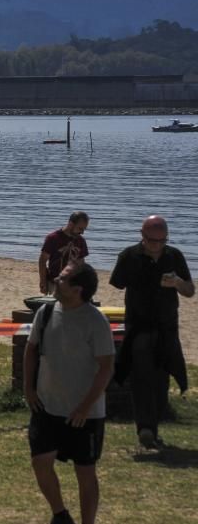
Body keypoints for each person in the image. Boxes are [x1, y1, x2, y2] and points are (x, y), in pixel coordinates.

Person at [24, 262, 114, 524]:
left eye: (62, 278)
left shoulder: (95, 321)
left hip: (85, 414)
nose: (55, 279)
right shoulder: (46, 311)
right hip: (47, 405)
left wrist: (85, 407)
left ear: (77, 289)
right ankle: (60, 515)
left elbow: (106, 368)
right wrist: (28, 388)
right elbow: (31, 350)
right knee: (40, 463)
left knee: (85, 473)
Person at [109, 215, 194, 449]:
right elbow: (117, 282)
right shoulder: (129, 255)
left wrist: (177, 282)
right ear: (142, 237)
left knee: (162, 377)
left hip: (166, 327)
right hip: (138, 326)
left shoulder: (174, 256)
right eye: (152, 241)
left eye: (161, 241)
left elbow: (190, 291)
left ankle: (152, 427)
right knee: (140, 376)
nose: (157, 245)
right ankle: (145, 428)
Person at [38, 212, 90, 295]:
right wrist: (43, 282)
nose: (82, 232)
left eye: (84, 229)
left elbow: (81, 262)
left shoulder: (81, 241)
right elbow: (42, 261)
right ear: (71, 224)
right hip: (55, 283)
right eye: (80, 228)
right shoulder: (53, 238)